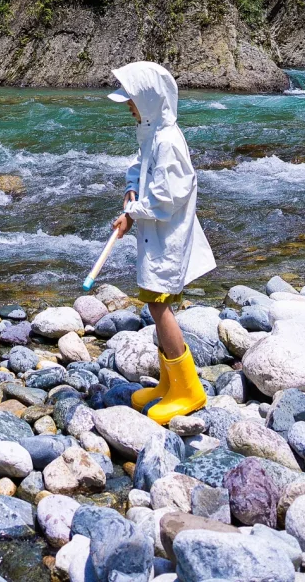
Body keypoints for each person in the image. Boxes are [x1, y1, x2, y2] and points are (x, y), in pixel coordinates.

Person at [107, 60, 215, 422]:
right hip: (154, 237)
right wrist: (130, 189)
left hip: (167, 239)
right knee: (155, 300)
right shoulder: (152, 133)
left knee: (158, 304)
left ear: (151, 100)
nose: (129, 108)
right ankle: (169, 383)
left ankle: (188, 390)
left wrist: (133, 213)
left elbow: (166, 199)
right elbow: (140, 166)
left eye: (132, 102)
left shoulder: (168, 141)